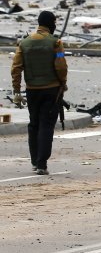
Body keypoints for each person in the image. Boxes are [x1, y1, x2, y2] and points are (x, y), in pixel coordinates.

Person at [10, 11, 68, 176]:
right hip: (51, 90)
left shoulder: (24, 43)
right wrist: (63, 83)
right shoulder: (56, 43)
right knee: (46, 125)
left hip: (32, 91)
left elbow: (16, 68)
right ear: (50, 23)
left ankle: (35, 161)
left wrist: (16, 90)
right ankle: (42, 163)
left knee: (34, 124)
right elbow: (61, 65)